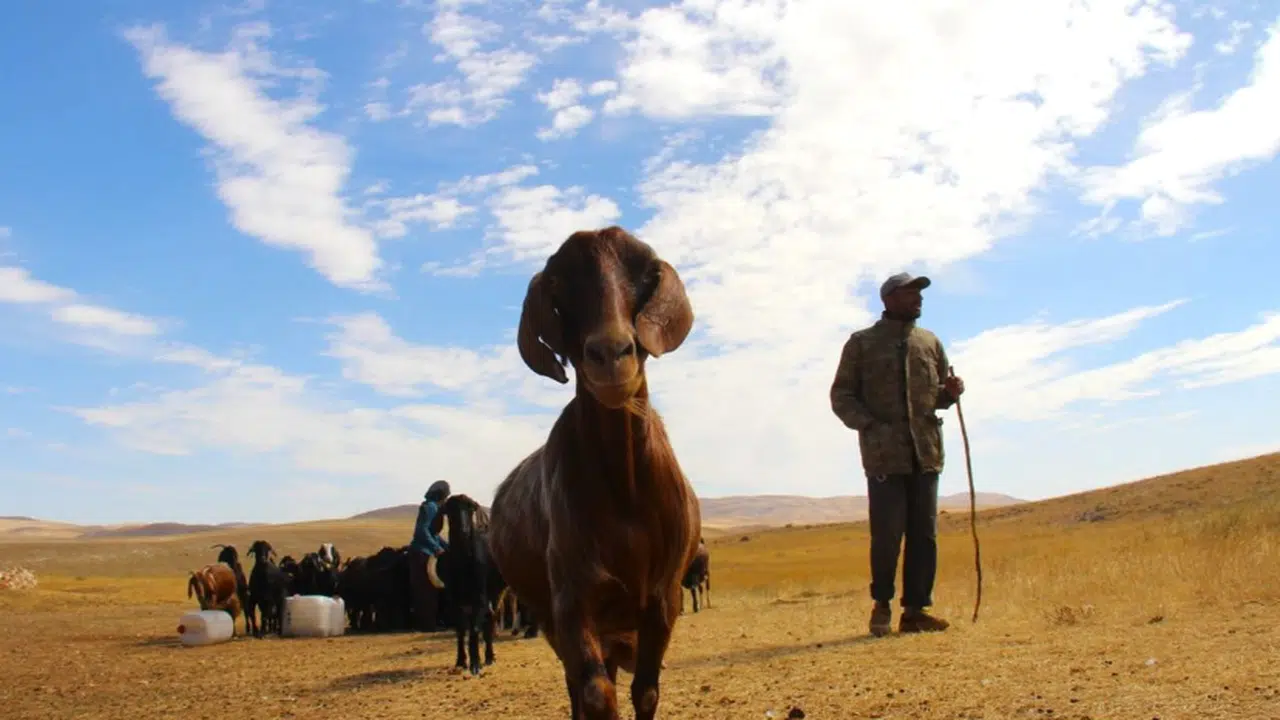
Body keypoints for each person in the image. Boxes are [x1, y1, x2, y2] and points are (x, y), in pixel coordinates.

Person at [829, 272, 965, 637]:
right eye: (909, 294)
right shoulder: (862, 344)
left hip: (926, 453)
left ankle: (916, 612)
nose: (917, 300)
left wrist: (950, 393)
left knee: (925, 535)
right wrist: (870, 426)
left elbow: (937, 396)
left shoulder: (930, 343)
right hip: (883, 456)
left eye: (919, 294)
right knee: (887, 536)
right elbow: (841, 396)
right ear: (888, 299)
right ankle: (882, 605)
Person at [407, 480, 451, 631]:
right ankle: (427, 625)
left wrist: (446, 547)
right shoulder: (430, 507)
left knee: (429, 590)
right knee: (426, 590)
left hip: (426, 552)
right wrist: (436, 547)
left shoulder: (433, 507)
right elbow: (421, 530)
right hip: (422, 553)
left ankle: (430, 622)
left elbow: (434, 534)